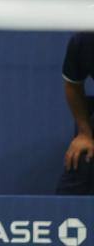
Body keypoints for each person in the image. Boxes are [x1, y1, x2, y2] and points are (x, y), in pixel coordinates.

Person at [56, 32, 94, 195]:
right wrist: (85, 134)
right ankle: (62, 215)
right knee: (83, 157)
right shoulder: (85, 39)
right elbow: (73, 85)